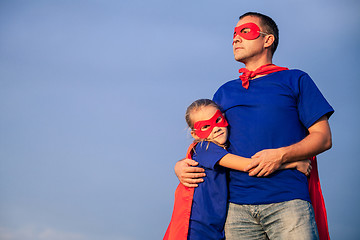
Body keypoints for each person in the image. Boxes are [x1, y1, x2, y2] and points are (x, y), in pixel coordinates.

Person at [174, 12, 334, 240]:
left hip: (288, 202)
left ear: (268, 40)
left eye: (245, 31)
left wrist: (281, 156)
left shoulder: (296, 80)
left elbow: (323, 138)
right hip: (236, 211)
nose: (236, 39)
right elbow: (208, 140)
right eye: (234, 34)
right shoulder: (224, 92)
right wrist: (181, 165)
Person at [164, 99, 312, 240]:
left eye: (217, 120)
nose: (215, 129)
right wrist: (293, 163)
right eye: (205, 126)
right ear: (195, 134)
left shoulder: (219, 150)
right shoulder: (206, 148)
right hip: (197, 228)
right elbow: (249, 166)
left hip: (213, 228)